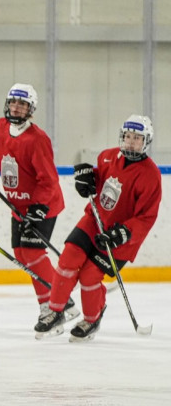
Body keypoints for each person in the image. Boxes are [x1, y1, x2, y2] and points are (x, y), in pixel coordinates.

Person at [35, 115, 161, 341]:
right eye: (128, 136)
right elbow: (98, 182)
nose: (131, 142)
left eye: (137, 138)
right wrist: (86, 177)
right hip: (94, 220)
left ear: (146, 142)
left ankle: (92, 319)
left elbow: (147, 217)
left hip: (120, 237)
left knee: (90, 276)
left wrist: (123, 233)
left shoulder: (150, 175)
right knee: (67, 261)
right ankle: (55, 312)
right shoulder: (107, 157)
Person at [0, 83, 78, 322]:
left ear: (31, 109)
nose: (16, 108)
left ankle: (54, 305)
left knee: (32, 252)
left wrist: (38, 208)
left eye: (23, 104)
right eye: (13, 102)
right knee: (21, 253)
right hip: (18, 206)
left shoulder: (37, 139)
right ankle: (59, 301)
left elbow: (48, 179)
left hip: (43, 204)